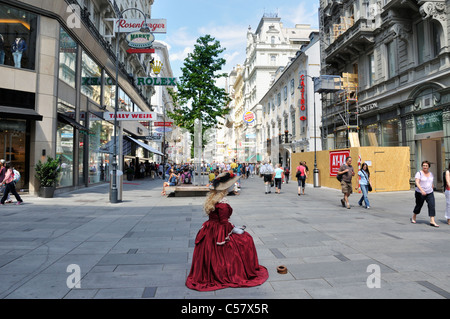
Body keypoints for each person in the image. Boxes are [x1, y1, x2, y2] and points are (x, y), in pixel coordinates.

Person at [186, 172, 269, 291]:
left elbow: (221, 221)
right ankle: (236, 270)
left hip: (210, 229)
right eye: (231, 184)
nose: (233, 185)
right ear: (226, 188)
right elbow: (224, 223)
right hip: (219, 230)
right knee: (246, 239)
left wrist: (234, 227)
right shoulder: (223, 204)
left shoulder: (214, 198)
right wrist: (235, 229)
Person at [411, 161, 439, 227]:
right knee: (419, 205)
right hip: (420, 193)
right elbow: (417, 182)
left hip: (430, 192)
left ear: (429, 167)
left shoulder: (431, 174)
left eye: (426, 166)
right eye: (423, 165)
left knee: (432, 205)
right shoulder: (419, 173)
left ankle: (432, 220)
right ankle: (414, 215)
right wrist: (422, 190)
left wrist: (432, 186)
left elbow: (430, 181)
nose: (425, 167)